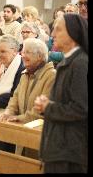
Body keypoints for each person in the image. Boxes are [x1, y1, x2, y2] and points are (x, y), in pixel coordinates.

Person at [34, 14, 88, 173]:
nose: (52, 35)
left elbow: (80, 108)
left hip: (70, 153)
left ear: (73, 33)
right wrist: (48, 104)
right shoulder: (68, 62)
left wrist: (48, 107)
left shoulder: (80, 64)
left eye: (58, 30)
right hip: (60, 149)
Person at [0, 38, 56, 123]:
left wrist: (18, 118)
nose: (23, 56)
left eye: (27, 52)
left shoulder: (51, 76)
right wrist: (8, 113)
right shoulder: (24, 75)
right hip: (21, 128)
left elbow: (40, 111)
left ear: (39, 56)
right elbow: (15, 99)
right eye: (23, 52)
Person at [0, 35, 25, 153]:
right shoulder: (2, 66)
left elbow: (15, 96)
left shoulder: (21, 68)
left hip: (9, 117)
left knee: (4, 154)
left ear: (14, 52)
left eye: (3, 51)